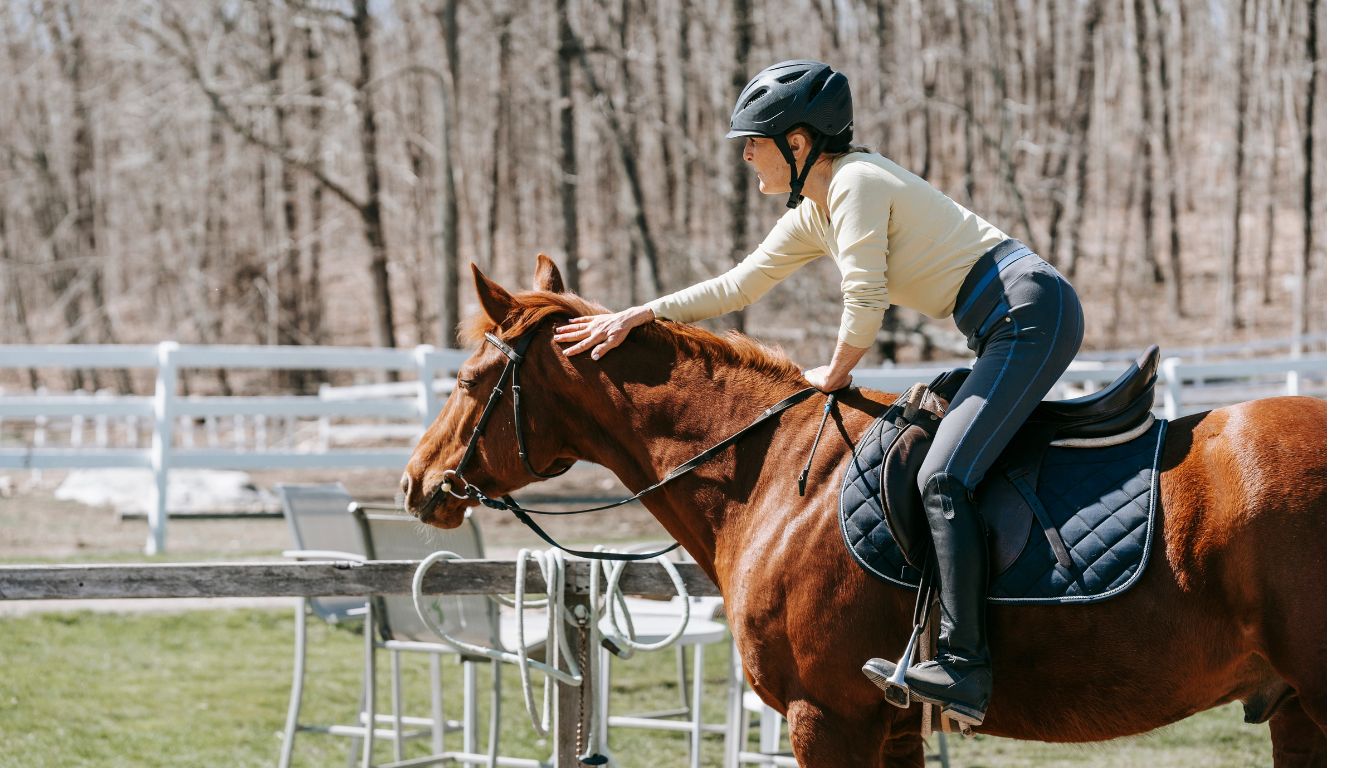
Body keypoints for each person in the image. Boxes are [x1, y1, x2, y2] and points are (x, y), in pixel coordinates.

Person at [552, 59, 1084, 727]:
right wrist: (640, 314)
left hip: (1029, 314)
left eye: (754, 141)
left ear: (798, 144)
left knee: (944, 476)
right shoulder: (816, 209)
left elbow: (866, 297)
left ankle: (965, 664)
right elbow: (737, 287)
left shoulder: (857, 182)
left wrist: (831, 376)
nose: (747, 155)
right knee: (935, 458)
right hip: (1004, 322)